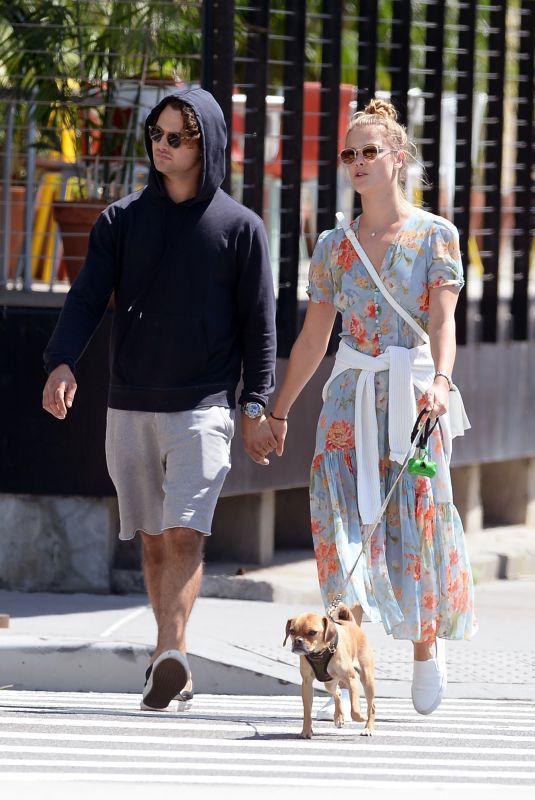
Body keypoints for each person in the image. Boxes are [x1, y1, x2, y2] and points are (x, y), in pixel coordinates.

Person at [42, 88, 277, 711]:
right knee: (150, 536)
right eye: (158, 135)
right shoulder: (121, 221)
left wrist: (257, 405)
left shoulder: (241, 229)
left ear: (208, 146)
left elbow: (260, 327)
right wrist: (62, 361)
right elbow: (88, 296)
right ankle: (166, 656)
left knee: (184, 530)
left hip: (202, 408)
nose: (163, 147)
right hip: (129, 404)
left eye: (177, 137)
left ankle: (170, 649)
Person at [267, 98, 477, 717]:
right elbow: (313, 339)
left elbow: (444, 323)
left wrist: (441, 381)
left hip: (411, 400)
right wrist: (278, 411)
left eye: (370, 151)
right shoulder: (334, 246)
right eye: (349, 154)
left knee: (414, 521)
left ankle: (424, 643)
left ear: (399, 159)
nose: (358, 162)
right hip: (347, 399)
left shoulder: (436, 235)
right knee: (336, 524)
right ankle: (344, 654)